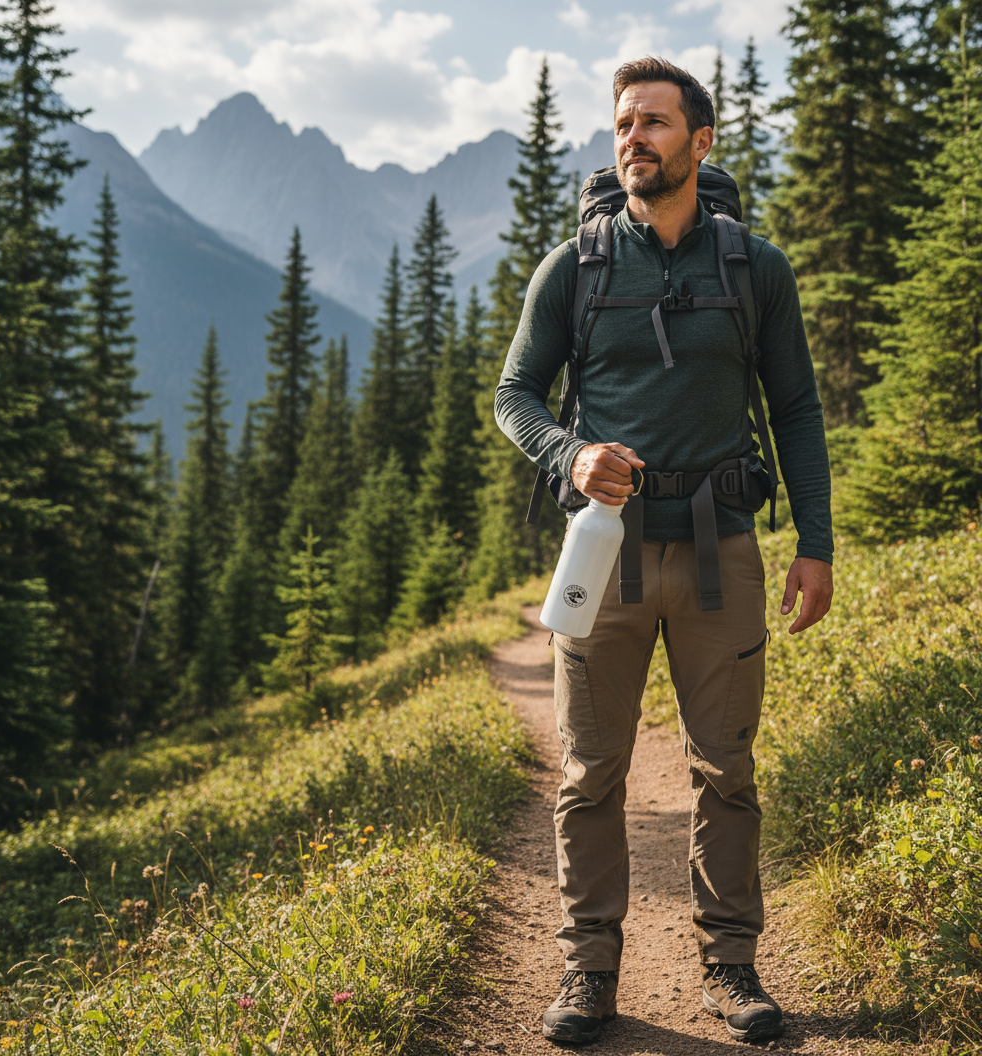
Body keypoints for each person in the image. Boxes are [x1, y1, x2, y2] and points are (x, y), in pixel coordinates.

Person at [493, 56, 834, 1045]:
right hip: (601, 556)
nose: (633, 138)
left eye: (652, 123)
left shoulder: (753, 268)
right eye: (622, 124)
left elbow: (797, 410)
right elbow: (512, 394)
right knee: (588, 769)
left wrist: (812, 544)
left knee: (723, 767)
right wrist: (571, 450)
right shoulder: (577, 266)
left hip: (721, 547)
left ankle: (729, 967)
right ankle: (587, 969)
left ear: (700, 139)